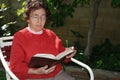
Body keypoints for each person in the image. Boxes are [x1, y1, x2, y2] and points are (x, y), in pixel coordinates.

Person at [10, 0, 76, 80]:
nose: (39, 21)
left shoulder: (51, 34)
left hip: (56, 74)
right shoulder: (20, 37)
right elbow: (15, 66)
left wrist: (68, 53)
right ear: (28, 18)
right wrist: (35, 71)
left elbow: (60, 54)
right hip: (33, 76)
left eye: (43, 17)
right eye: (35, 16)